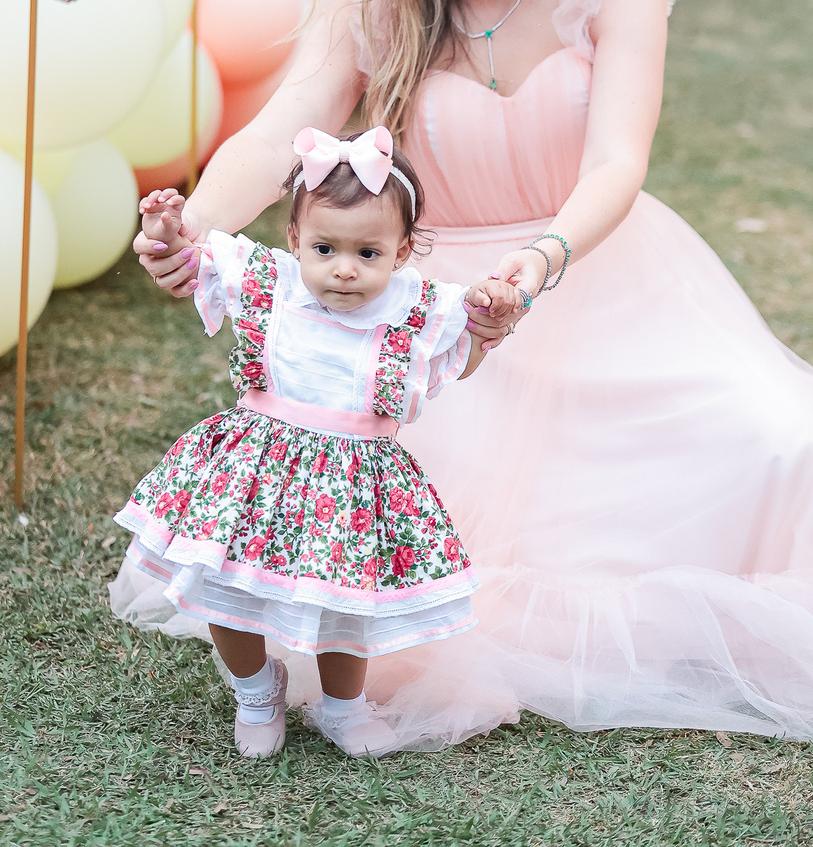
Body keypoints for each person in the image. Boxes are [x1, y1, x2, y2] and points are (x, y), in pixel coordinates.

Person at [123, 0, 813, 749]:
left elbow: (618, 162)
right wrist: (194, 227)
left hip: (594, 271)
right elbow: (283, 126)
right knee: (410, 534)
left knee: (781, 444)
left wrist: (540, 261)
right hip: (435, 319)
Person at [113, 127, 523, 758]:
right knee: (226, 585)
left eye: (368, 252)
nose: (344, 268)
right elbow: (193, 264)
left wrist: (491, 310)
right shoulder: (269, 282)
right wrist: (166, 231)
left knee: (345, 607)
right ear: (295, 238)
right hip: (257, 470)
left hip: (354, 484)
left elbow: (461, 353)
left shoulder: (417, 310)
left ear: (402, 252)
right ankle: (256, 690)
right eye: (325, 248)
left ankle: (343, 705)